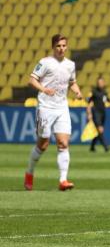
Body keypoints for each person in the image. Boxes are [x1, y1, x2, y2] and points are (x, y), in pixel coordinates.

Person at [24, 34, 83, 191]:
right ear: (53, 47)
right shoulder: (45, 63)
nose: (61, 48)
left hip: (62, 108)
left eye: (64, 45)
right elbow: (32, 80)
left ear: (67, 47)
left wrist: (77, 92)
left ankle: (63, 180)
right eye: (58, 46)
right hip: (44, 108)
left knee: (63, 143)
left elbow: (72, 82)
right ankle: (29, 172)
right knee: (43, 144)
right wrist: (43, 89)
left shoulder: (70, 65)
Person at [87, 76, 110, 152]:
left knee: (99, 131)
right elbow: (89, 103)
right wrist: (89, 113)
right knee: (100, 130)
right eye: (99, 83)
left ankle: (92, 147)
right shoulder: (94, 92)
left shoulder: (104, 92)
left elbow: (108, 100)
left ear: (103, 83)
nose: (100, 84)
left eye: (101, 82)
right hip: (96, 113)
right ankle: (106, 147)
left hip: (103, 113)